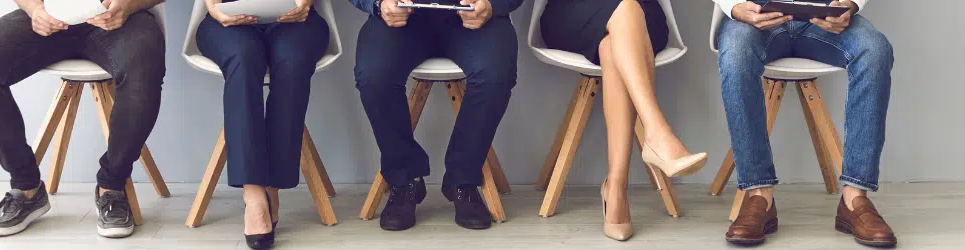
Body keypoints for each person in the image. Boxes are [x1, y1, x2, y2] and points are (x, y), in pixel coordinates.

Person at [0, 0, 165, 238]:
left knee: (144, 72)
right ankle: (26, 187)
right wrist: (34, 9)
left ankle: (112, 186)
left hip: (122, 17)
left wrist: (128, 5)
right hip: (51, 14)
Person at [712, 0, 896, 247]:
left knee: (874, 50)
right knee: (736, 54)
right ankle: (759, 195)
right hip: (756, 16)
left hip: (822, 18)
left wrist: (850, 5)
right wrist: (733, 6)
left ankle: (855, 199)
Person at [539, 0, 708, 241]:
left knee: (615, 40)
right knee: (622, 16)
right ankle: (657, 133)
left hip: (641, 15)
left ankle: (616, 187)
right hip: (572, 12)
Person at [349, 0, 522, 231]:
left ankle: (463, 179)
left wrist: (493, 5)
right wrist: (378, 4)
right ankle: (404, 177)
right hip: (404, 17)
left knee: (496, 75)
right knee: (373, 76)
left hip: (473, 14)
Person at [194, 0, 329, 248]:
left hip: (296, 20)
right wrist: (213, 8)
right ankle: (254, 193)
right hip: (228, 23)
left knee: (292, 60)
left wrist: (304, 3)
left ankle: (273, 186)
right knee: (243, 59)